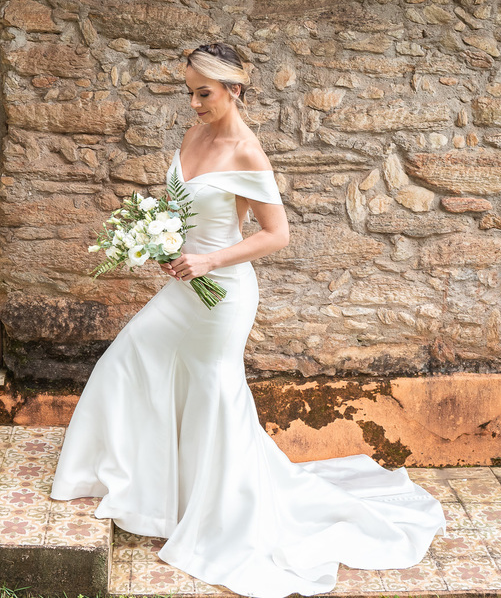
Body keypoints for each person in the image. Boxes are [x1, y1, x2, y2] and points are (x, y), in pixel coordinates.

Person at [50, 42, 446, 598]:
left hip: (223, 294)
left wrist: (208, 258)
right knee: (129, 355)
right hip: (185, 285)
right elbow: (182, 208)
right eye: (189, 92)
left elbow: (275, 234)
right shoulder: (193, 136)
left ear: (234, 89)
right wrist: (164, 243)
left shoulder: (247, 152)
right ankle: (151, 490)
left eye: (203, 93)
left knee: (212, 391)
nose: (193, 103)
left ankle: (222, 516)